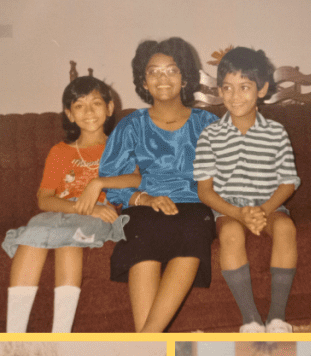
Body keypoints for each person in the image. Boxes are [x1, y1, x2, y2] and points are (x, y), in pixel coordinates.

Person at [98, 38, 218, 332]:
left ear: (185, 77)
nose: (162, 79)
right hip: (146, 204)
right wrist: (144, 199)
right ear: (143, 80)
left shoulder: (208, 123)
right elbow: (113, 179)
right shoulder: (131, 125)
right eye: (153, 72)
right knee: (140, 228)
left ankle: (146, 339)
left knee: (194, 226)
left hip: (194, 203)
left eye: (172, 70)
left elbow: (228, 173)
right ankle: (150, 340)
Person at [3, 76, 138, 333]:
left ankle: (60, 334)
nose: (88, 112)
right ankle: (13, 334)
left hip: (99, 217)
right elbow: (45, 199)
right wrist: (80, 206)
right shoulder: (60, 152)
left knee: (70, 240)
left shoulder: (119, 147)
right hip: (63, 211)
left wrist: (98, 183)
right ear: (69, 114)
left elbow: (137, 178)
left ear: (110, 108)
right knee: (32, 233)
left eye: (96, 103)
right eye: (79, 105)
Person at [194, 46, 299, 333]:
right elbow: (205, 191)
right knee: (229, 234)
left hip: (270, 205)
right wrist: (239, 214)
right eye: (227, 87)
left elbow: (288, 182)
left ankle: (277, 317)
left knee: (286, 228)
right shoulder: (210, 135)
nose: (234, 96)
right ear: (219, 90)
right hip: (228, 208)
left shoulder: (276, 132)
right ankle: (251, 318)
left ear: (262, 89)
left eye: (244, 87)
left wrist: (263, 211)